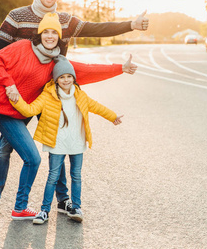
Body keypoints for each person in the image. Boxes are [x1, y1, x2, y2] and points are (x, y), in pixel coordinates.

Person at [0, 0, 148, 218]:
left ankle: (63, 201)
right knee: (5, 147)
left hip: (50, 94)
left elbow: (96, 28)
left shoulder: (66, 21)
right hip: (19, 95)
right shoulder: (17, 16)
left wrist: (131, 24)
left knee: (58, 145)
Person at [0, 12, 137, 237]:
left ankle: (20, 207)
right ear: (40, 34)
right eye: (46, 32)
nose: (50, 36)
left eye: (55, 32)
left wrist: (120, 68)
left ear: (60, 37)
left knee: (33, 158)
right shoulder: (22, 46)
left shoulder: (56, 64)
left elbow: (85, 70)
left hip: (11, 113)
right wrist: (8, 83)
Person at [10, 55, 123, 224]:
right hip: (57, 144)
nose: (66, 80)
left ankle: (76, 207)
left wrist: (113, 116)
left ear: (74, 78)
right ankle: (44, 210)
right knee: (52, 177)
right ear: (56, 79)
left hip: (77, 143)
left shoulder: (80, 95)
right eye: (62, 77)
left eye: (69, 76)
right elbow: (30, 110)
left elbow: (97, 107)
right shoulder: (47, 96)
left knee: (76, 176)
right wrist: (17, 100)